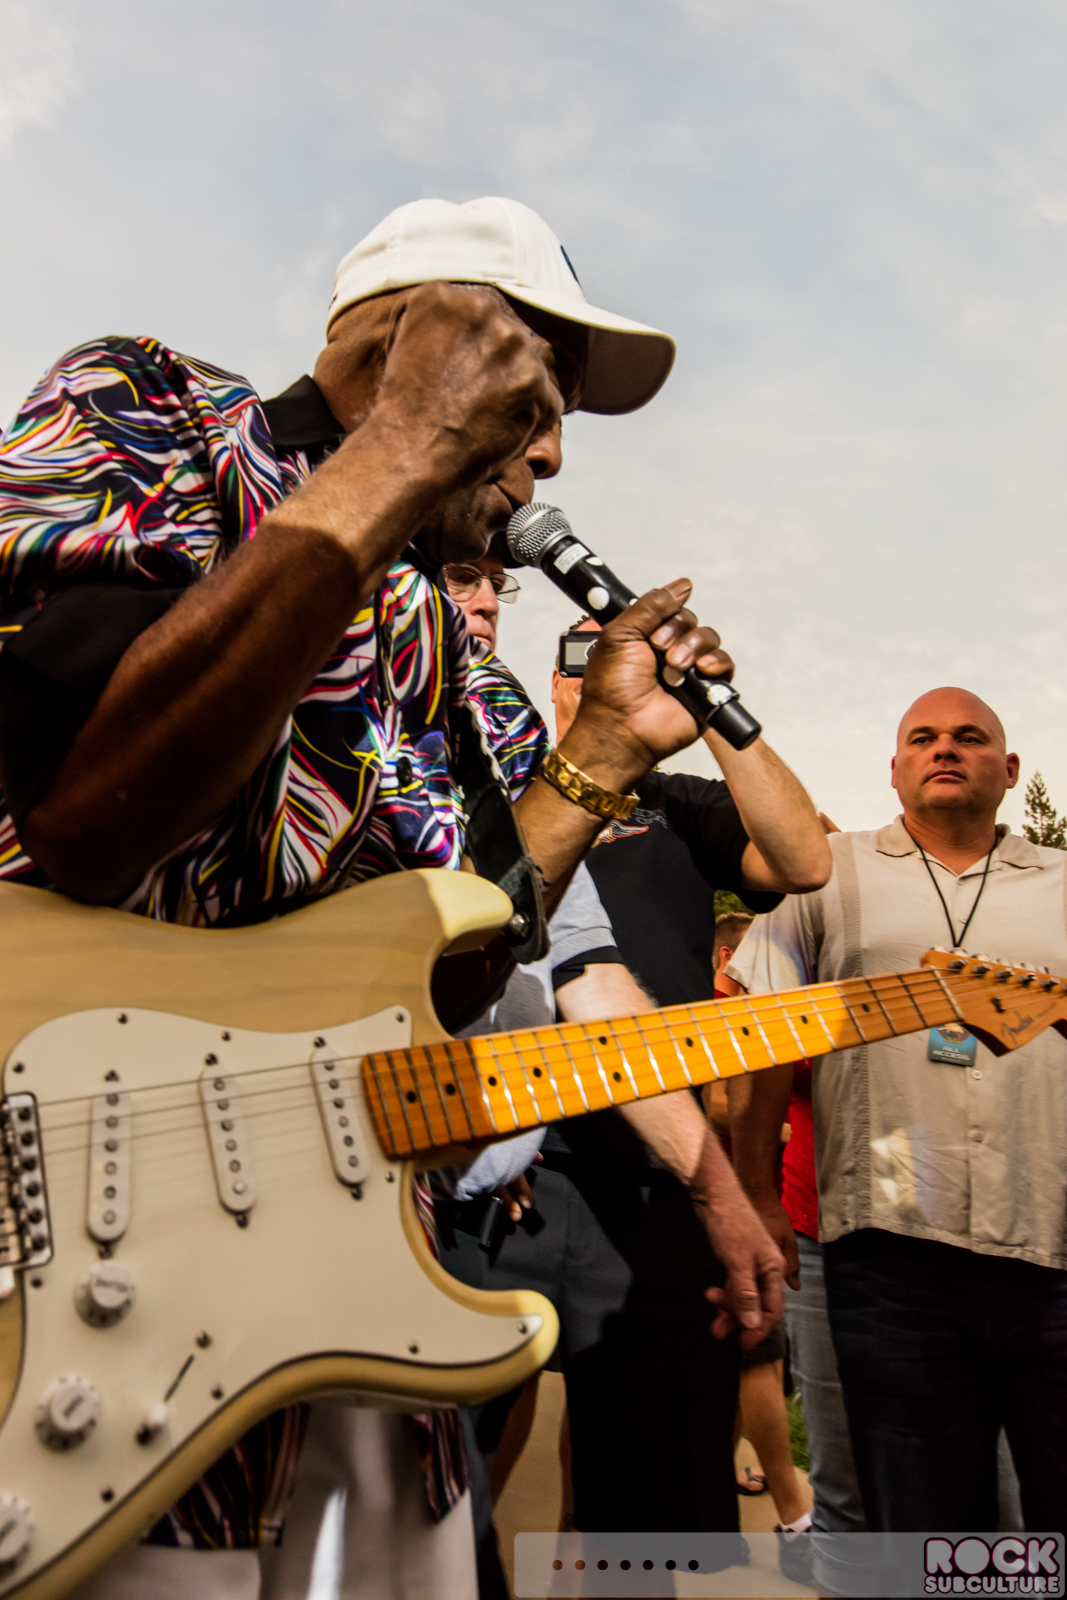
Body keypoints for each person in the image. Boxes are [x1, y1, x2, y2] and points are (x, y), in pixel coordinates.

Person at [0, 194, 781, 1599]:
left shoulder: (465, 668)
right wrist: (406, 445)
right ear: (410, 338)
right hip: (92, 1302)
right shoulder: (155, 413)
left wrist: (603, 753)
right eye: (533, 397)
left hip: (352, 1330)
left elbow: (452, 976)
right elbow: (80, 813)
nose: (550, 453)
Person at [438, 618, 830, 1544]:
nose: (609, 665)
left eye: (635, 653)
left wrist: (712, 708)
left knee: (647, 1505)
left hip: (659, 1174)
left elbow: (800, 860)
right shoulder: (489, 794)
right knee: (449, 1474)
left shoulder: (678, 804)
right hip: (507, 1169)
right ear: (552, 680)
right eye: (584, 652)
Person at [727, 687, 1067, 1540]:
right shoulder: (822, 871)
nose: (943, 749)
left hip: (1054, 1242)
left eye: (968, 737)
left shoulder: (1062, 881)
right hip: (887, 1253)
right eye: (922, 738)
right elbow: (763, 1038)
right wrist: (755, 1194)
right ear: (893, 769)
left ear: (1009, 769)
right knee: (922, 1528)